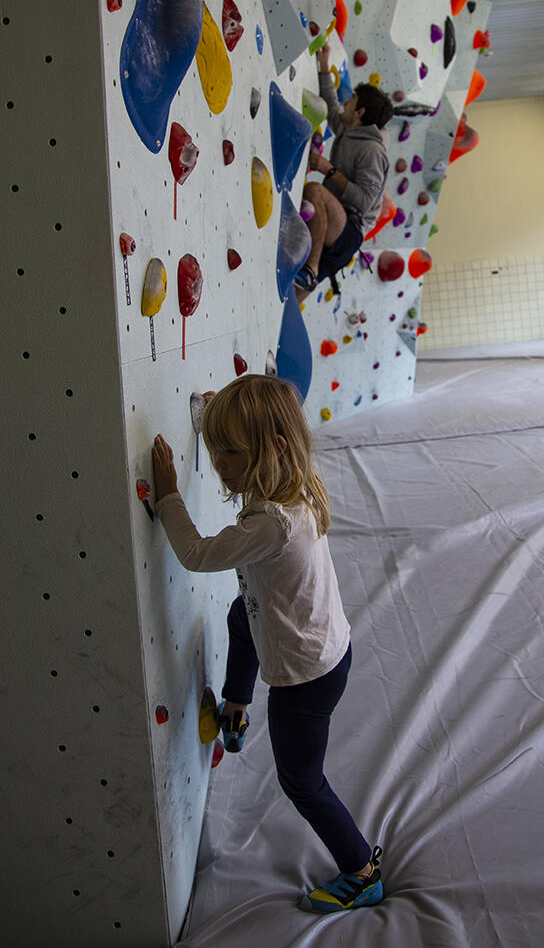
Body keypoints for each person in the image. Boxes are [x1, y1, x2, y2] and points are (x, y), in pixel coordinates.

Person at [151, 375, 383, 913]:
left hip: (305, 678)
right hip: (327, 643)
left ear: (272, 448)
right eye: (215, 449)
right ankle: (236, 706)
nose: (218, 463)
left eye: (229, 452)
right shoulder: (295, 482)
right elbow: (258, 429)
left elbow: (197, 554)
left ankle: (361, 871)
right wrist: (219, 416)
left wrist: (167, 496)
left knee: (301, 780)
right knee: (242, 616)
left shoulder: (271, 523)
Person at [295, 43, 392, 300]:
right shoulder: (349, 129)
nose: (345, 103)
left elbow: (365, 200)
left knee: (314, 191)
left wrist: (329, 169)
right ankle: (309, 274)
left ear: (359, 112)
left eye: (352, 101)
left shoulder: (372, 151)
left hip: (349, 228)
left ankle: (311, 268)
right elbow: (331, 105)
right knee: (290, 299)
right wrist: (324, 65)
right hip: (332, 220)